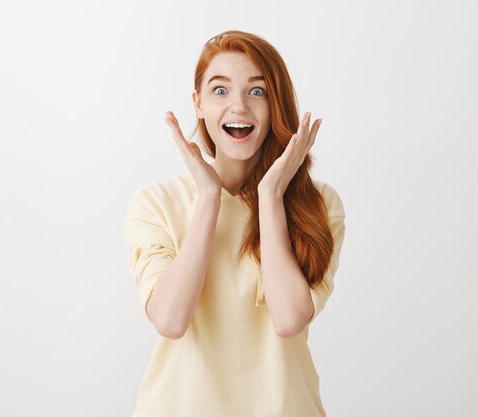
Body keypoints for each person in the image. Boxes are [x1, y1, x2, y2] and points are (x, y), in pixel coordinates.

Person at [123, 29, 346, 417]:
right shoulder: (155, 203)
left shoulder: (318, 204)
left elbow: (290, 318)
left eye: (257, 91)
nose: (239, 106)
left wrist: (270, 197)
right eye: (220, 90)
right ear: (198, 104)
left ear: (276, 104)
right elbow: (170, 320)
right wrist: (209, 198)